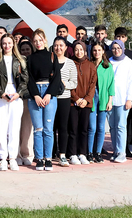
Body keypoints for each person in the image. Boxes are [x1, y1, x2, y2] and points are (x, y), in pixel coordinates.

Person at [0, 33, 28, 171]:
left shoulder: (20, 60)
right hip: (1, 96)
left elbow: (25, 79)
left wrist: (18, 93)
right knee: (1, 127)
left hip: (16, 95)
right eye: (4, 43)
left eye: (9, 43)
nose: (7, 46)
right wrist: (1, 93)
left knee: (14, 127)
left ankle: (12, 158)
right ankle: (2, 158)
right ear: (1, 45)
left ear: (13, 44)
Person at [26, 29, 62, 171]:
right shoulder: (29, 59)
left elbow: (57, 78)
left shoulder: (52, 56)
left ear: (45, 40)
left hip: (49, 93)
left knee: (48, 129)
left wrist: (49, 94)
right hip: (34, 93)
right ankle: (39, 158)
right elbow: (28, 79)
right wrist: (35, 95)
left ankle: (48, 158)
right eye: (35, 41)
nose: (38, 43)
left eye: (40, 40)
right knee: (38, 129)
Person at [68, 40, 96, 165]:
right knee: (73, 129)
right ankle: (72, 154)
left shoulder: (91, 66)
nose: (79, 52)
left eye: (81, 50)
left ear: (85, 51)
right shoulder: (70, 64)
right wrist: (76, 98)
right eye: (76, 50)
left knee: (84, 129)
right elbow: (68, 83)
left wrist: (86, 99)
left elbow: (93, 85)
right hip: (73, 102)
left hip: (86, 103)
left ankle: (82, 153)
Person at [108, 39, 132, 163]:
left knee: (121, 126)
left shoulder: (128, 63)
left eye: (118, 48)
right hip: (110, 99)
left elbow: (131, 82)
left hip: (123, 99)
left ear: (123, 49)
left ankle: (122, 152)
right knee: (112, 127)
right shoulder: (109, 61)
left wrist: (129, 99)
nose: (116, 50)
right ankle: (115, 150)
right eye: (114, 48)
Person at [88, 42, 114, 162]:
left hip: (103, 97)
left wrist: (110, 100)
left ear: (103, 51)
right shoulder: (89, 64)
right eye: (95, 50)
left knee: (101, 127)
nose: (97, 52)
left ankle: (98, 152)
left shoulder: (108, 66)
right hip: (92, 97)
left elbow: (111, 84)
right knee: (92, 127)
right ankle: (89, 152)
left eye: (99, 50)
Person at [53, 37, 77, 166]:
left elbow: (74, 83)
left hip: (64, 98)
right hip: (51, 98)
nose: (58, 48)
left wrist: (63, 84)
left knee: (63, 127)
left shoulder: (70, 63)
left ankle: (62, 154)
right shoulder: (50, 61)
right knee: (50, 128)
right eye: (56, 45)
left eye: (61, 45)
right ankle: (50, 153)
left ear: (66, 47)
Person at [16, 39, 35, 166]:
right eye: (22, 50)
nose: (25, 52)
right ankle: (17, 154)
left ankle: (27, 154)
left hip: (30, 98)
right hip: (17, 97)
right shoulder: (16, 63)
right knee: (16, 127)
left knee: (28, 128)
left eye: (27, 49)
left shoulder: (34, 62)